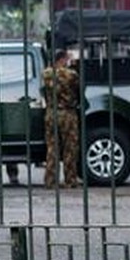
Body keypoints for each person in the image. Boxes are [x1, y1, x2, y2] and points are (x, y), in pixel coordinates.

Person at [42, 49, 81, 189]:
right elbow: (78, 89)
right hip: (67, 114)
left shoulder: (46, 74)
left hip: (51, 113)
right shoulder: (71, 75)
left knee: (52, 148)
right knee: (70, 148)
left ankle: (50, 181)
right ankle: (70, 180)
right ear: (63, 59)